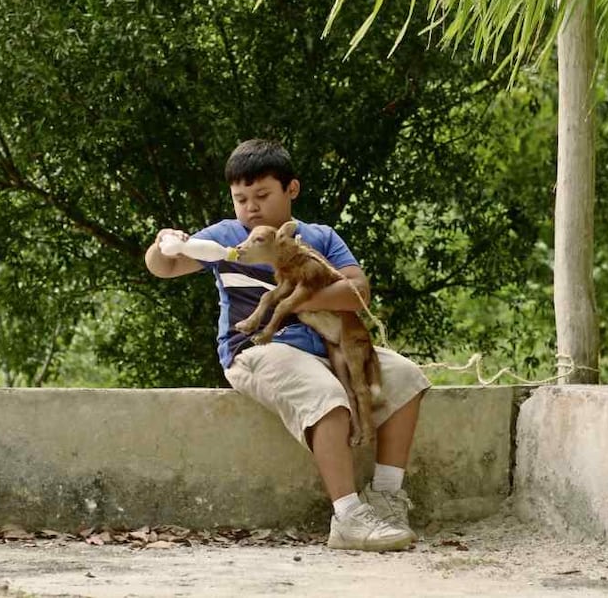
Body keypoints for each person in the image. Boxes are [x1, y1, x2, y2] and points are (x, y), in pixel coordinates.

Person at [143, 139, 431, 552]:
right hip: (258, 349)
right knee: (326, 394)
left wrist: (293, 299)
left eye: (262, 196)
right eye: (241, 199)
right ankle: (348, 517)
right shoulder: (226, 239)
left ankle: (386, 499)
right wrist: (164, 243)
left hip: (327, 345)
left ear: (291, 189)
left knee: (406, 376)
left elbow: (358, 291)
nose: (251, 208)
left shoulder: (320, 238)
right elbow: (166, 267)